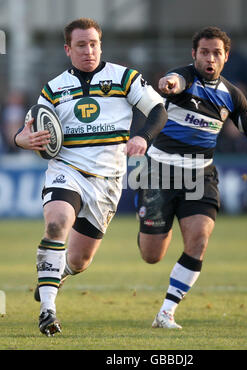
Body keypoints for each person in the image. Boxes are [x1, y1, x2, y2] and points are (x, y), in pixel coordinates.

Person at [14, 18, 167, 336]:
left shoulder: (124, 78)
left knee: (80, 260)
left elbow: (158, 110)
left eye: (94, 44)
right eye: (81, 45)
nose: (88, 51)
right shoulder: (53, 89)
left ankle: (57, 274)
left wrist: (143, 138)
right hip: (66, 170)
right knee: (56, 223)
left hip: (107, 181)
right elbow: (28, 129)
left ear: (101, 45)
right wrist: (22, 141)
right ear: (68, 49)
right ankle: (48, 311)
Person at [135, 27, 247, 329]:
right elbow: (175, 81)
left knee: (199, 239)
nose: (210, 58)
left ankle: (166, 312)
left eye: (217, 53)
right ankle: (153, 227)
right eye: (204, 52)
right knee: (152, 255)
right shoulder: (183, 77)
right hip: (160, 171)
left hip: (201, 174)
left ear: (226, 57)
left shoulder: (232, 95)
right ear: (194, 54)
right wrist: (169, 82)